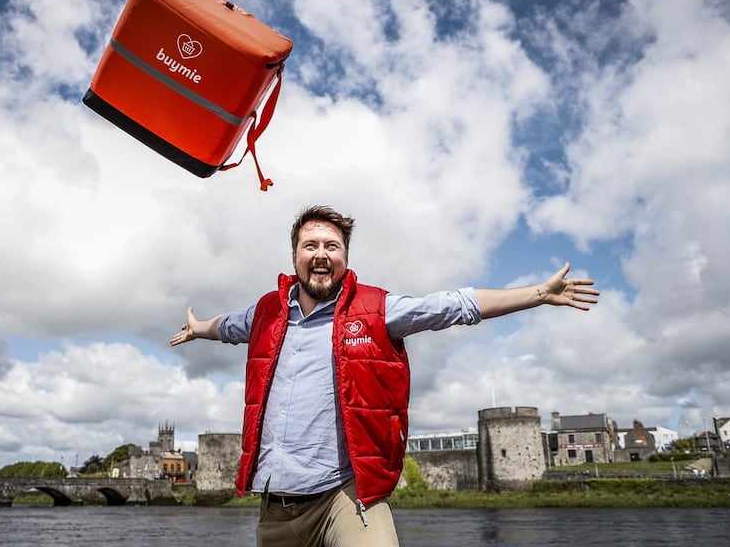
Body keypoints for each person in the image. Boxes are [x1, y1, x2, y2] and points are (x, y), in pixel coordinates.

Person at [170, 205, 599, 547]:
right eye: (311, 245)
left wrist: (538, 294)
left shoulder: (378, 309)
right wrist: (199, 327)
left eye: (332, 246)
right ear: (295, 255)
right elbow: (228, 326)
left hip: (347, 497)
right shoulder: (266, 313)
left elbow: (453, 305)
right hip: (275, 509)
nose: (321, 254)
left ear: (345, 257)